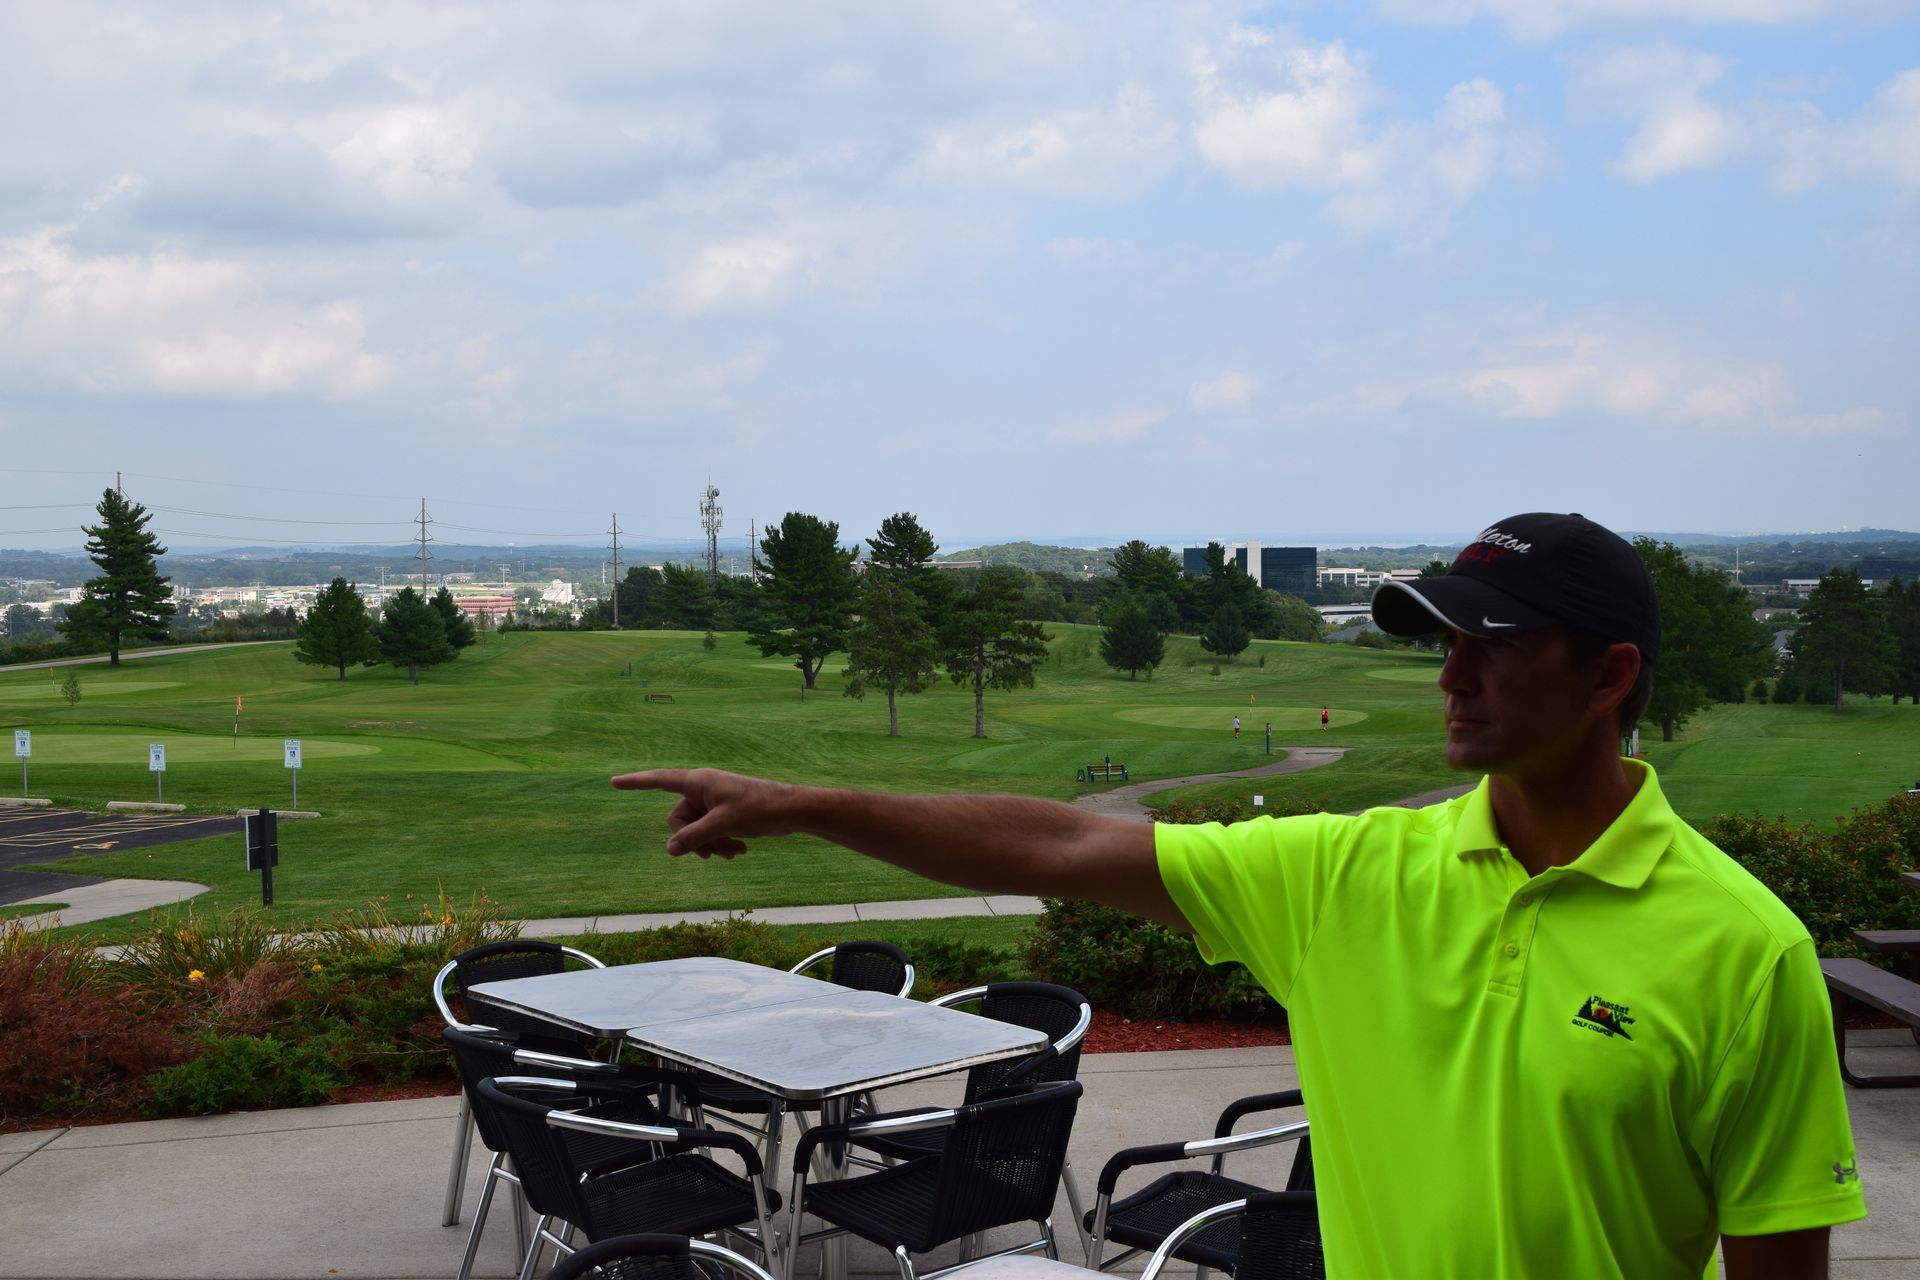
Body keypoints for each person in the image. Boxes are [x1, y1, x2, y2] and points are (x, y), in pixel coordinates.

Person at [613, 512, 1864, 1279]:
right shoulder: (1346, 874)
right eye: (1444, 642)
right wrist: (799, 802)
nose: (1453, 675)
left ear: (1610, 675)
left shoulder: (1744, 951)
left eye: (1496, 645)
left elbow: (1777, 1256)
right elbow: (1053, 847)